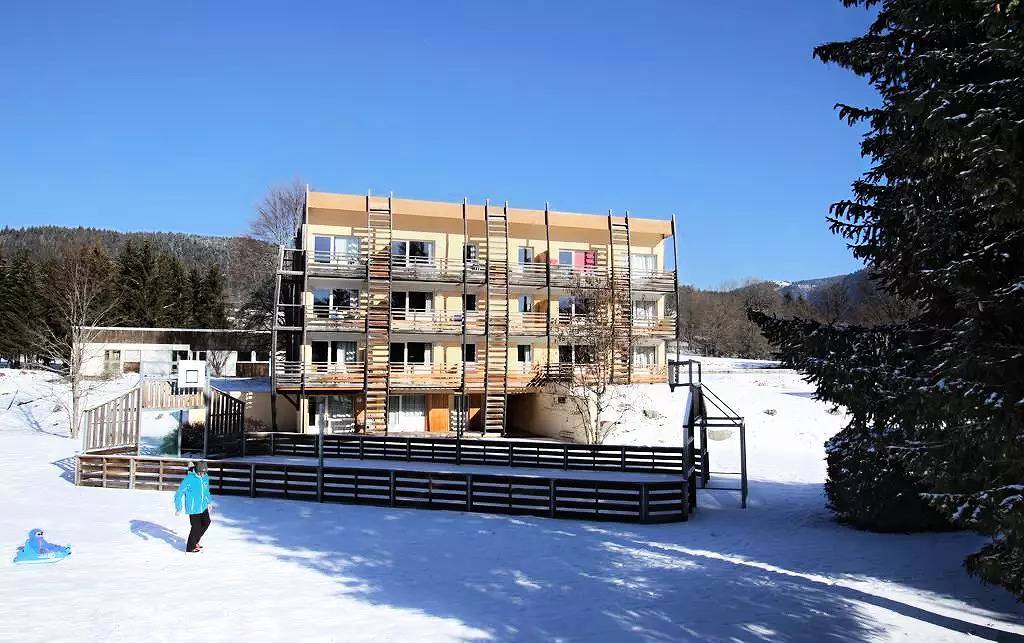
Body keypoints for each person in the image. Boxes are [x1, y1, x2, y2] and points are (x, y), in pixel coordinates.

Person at [174, 461, 213, 553]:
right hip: (193, 507)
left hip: (203, 506)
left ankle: (195, 541)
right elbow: (179, 493)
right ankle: (190, 547)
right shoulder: (189, 479)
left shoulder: (205, 477)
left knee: (206, 522)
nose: (203, 474)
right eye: (201, 472)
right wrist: (179, 508)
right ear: (196, 470)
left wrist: (209, 502)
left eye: (204, 472)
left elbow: (206, 490)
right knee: (196, 527)